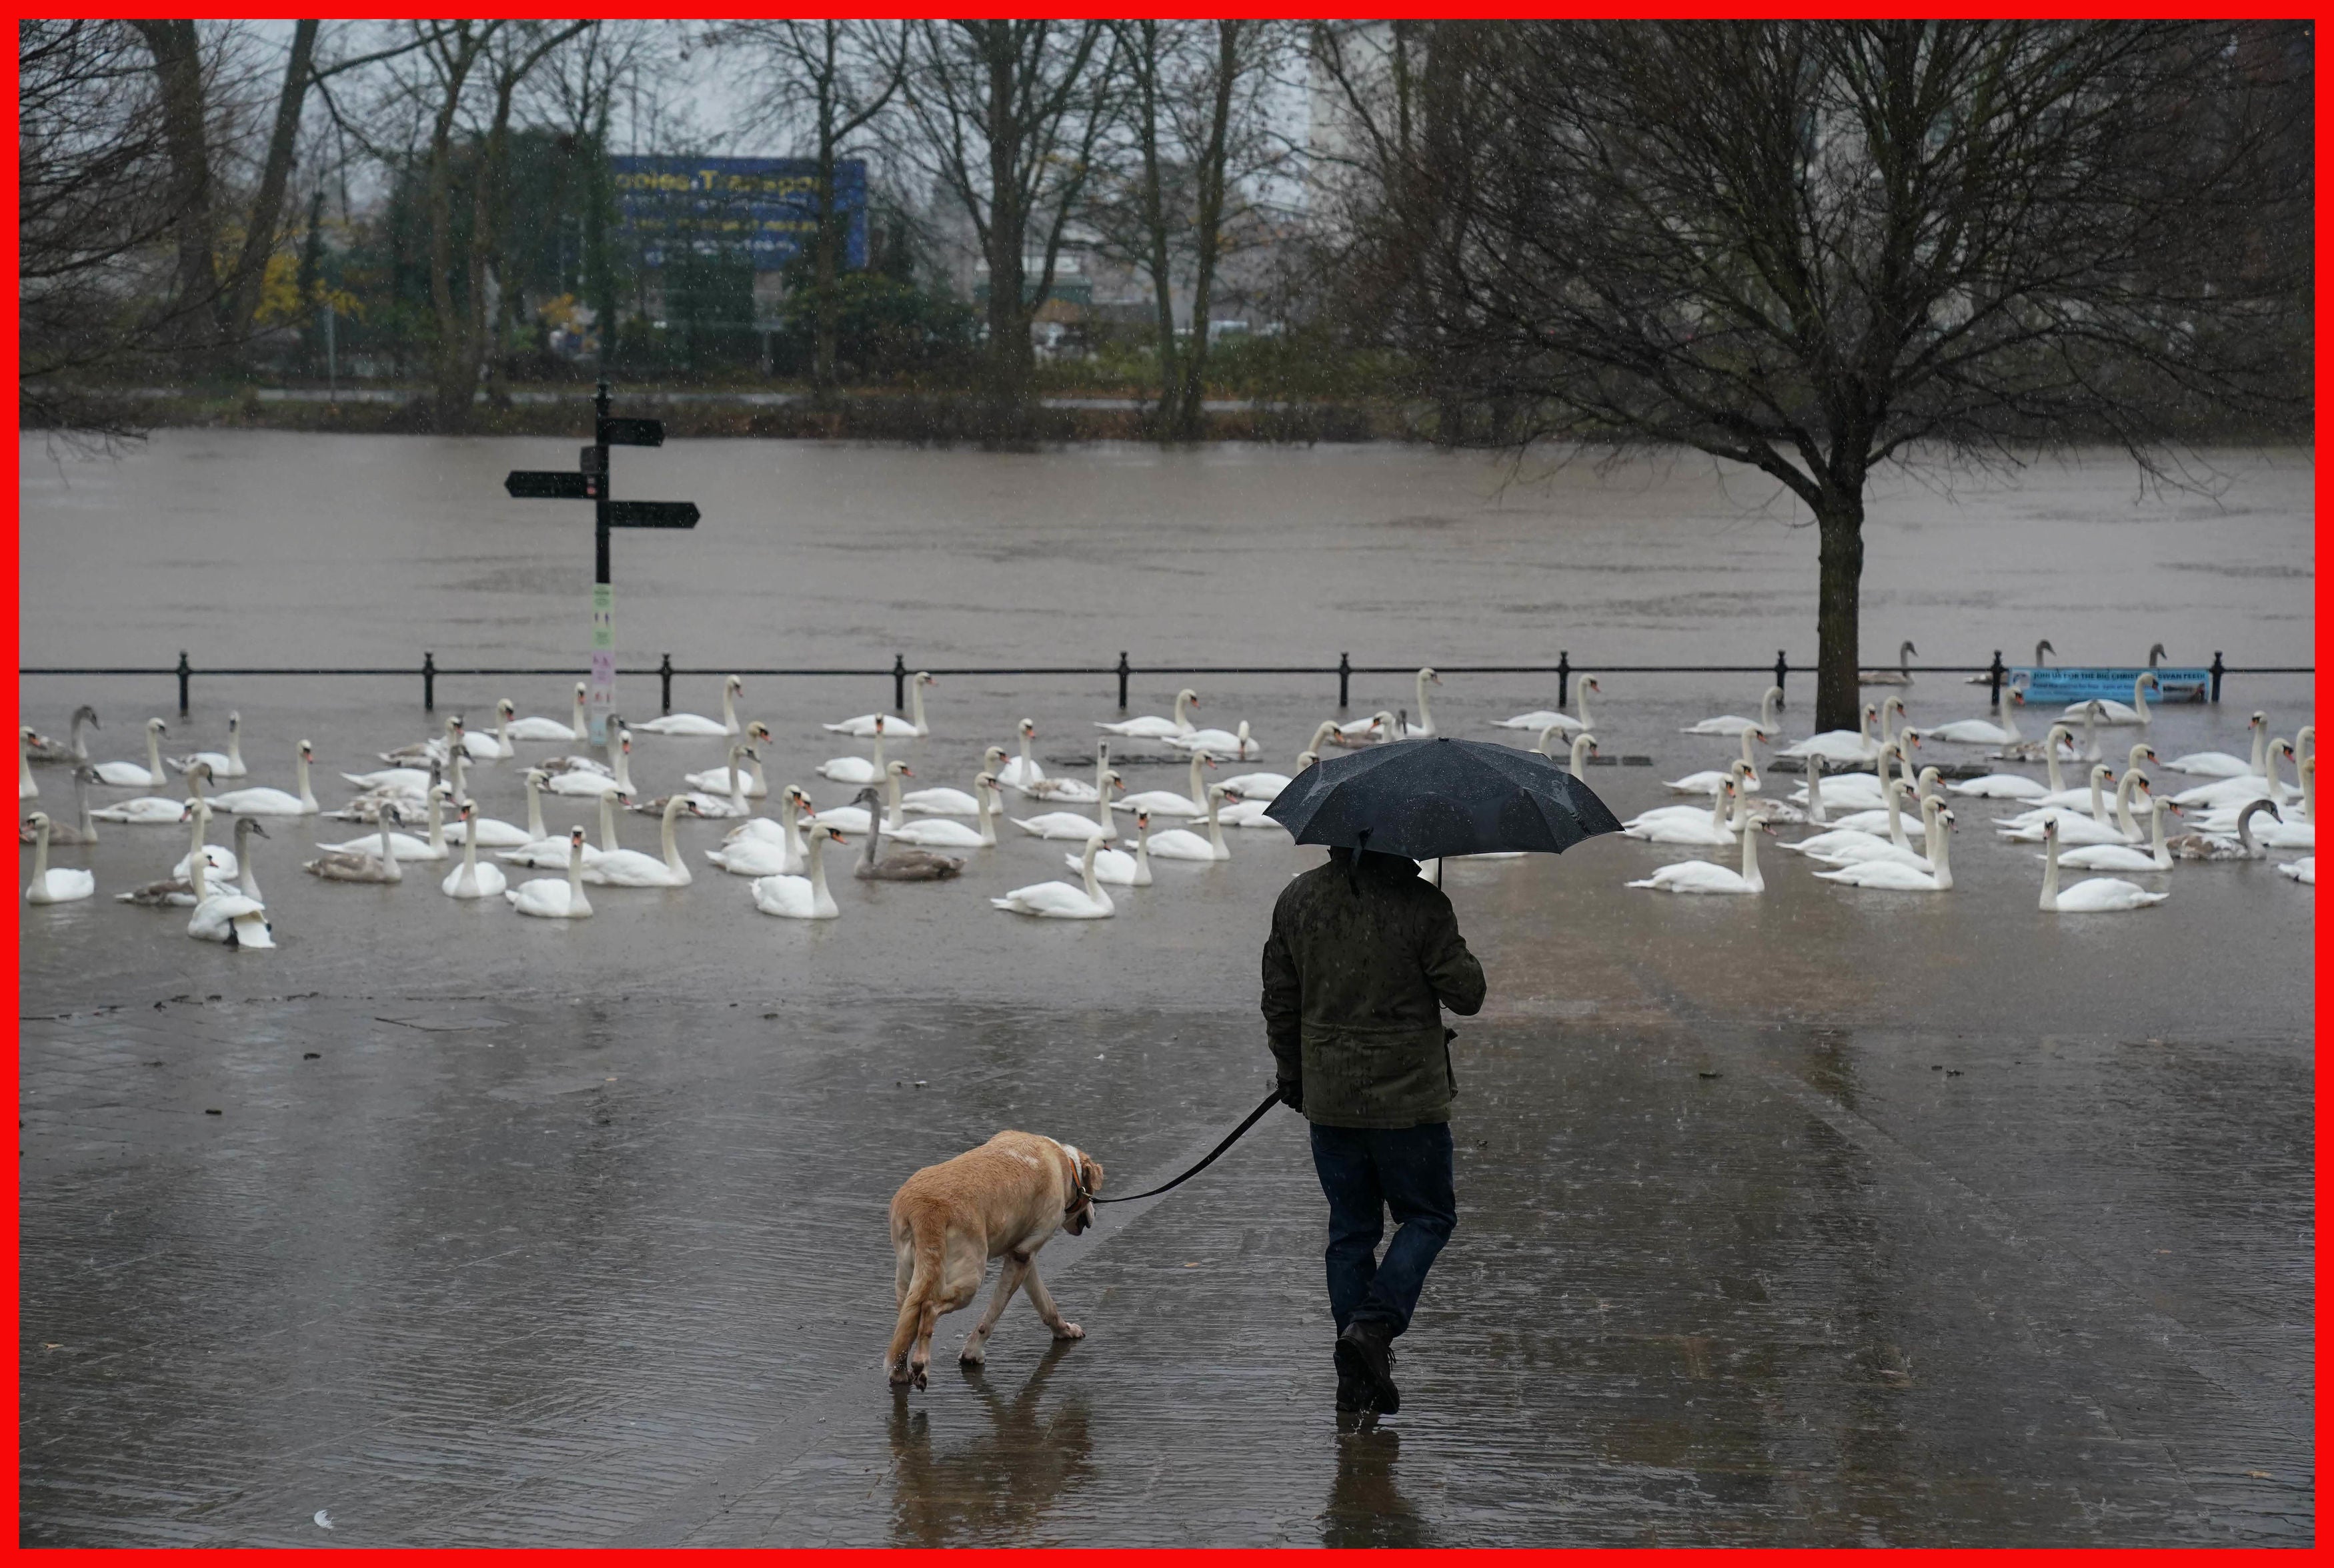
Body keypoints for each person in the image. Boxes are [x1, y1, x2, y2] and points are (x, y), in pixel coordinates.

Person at [1262, 841, 1486, 1417]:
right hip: (1409, 1104)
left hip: (1330, 1098)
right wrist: (1445, 933)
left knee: (1351, 1231)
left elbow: (1279, 1000)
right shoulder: (1423, 906)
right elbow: (1468, 996)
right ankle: (1373, 1329)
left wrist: (1292, 1072)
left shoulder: (1298, 900)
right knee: (1430, 1216)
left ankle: (1355, 1371)